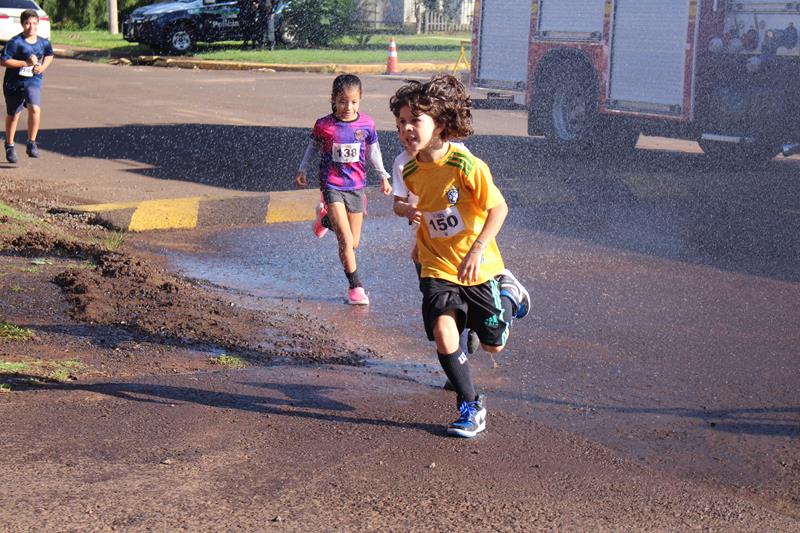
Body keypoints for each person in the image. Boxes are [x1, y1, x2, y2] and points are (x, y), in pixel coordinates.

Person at [389, 74, 530, 438]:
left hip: (477, 265)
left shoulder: (467, 165)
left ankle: (510, 294)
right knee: (442, 329)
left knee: (492, 343)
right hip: (436, 262)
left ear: (440, 123)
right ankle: (471, 405)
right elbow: (407, 203)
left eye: (414, 121)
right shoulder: (409, 168)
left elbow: (499, 209)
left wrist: (479, 248)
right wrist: (407, 212)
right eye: (401, 121)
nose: (406, 128)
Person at [295, 73, 392, 305]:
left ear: (360, 100)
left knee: (354, 242)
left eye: (354, 101)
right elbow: (312, 148)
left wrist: (383, 176)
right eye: (342, 101)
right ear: (333, 99)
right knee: (346, 241)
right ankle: (355, 287)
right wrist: (302, 169)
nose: (348, 106)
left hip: (357, 187)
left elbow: (373, 153)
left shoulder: (367, 125)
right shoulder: (324, 125)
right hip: (331, 185)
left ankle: (324, 220)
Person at [391, 131, 480, 356]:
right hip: (425, 242)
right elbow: (397, 203)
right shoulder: (402, 163)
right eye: (402, 126)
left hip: (462, 238)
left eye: (415, 125)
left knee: (467, 287)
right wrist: (407, 209)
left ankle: (478, 320)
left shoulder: (457, 152)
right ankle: (455, 357)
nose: (409, 134)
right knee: (440, 303)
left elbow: (480, 192)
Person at [0, 9, 54, 164]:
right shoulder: (15, 42)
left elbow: (49, 55)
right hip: (14, 82)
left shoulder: (43, 42)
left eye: (34, 23)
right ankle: (9, 145)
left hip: (33, 80)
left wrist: (42, 68)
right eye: (28, 23)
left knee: (35, 108)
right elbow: (3, 61)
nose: (31, 26)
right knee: (13, 115)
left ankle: (31, 143)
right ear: (22, 24)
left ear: (38, 23)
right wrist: (25, 63)